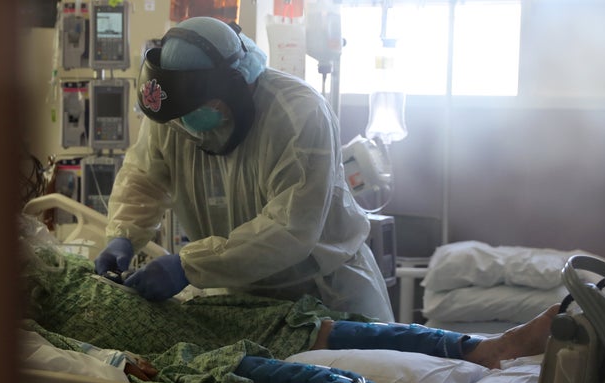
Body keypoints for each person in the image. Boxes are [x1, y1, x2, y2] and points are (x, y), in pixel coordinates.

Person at [22, 230, 558, 383]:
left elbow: (290, 223)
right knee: (225, 367)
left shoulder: (286, 111)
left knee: (303, 323)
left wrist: (130, 260)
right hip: (140, 347)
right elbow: (143, 177)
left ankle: (487, 347)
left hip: (174, 306)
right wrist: (122, 227)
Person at [94, 16, 394, 322]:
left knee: (351, 368)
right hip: (235, 297)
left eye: (194, 110)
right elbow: (143, 177)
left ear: (235, 87)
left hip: (322, 294)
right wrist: (124, 234)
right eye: (179, 115)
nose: (186, 126)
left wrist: (189, 266)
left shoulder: (298, 115)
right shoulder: (174, 115)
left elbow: (289, 229)